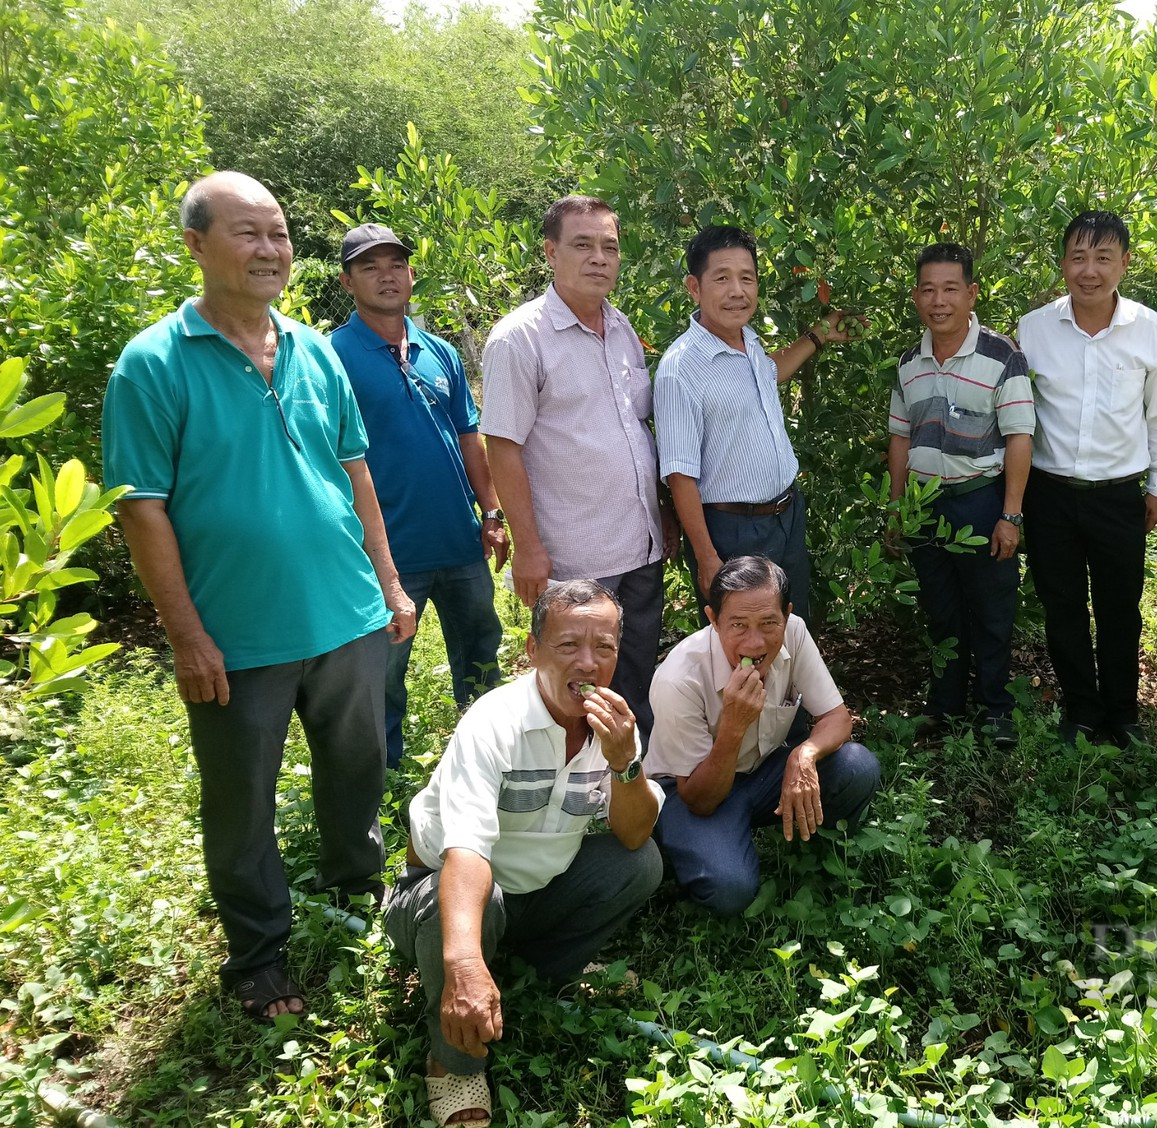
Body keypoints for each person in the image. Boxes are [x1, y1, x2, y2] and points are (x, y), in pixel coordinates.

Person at [102, 172, 416, 1021]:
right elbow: (142, 509)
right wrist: (187, 636)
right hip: (239, 635)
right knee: (240, 799)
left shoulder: (314, 352)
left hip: (347, 615)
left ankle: (359, 893)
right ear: (197, 245)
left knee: (357, 770)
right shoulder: (154, 363)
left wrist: (388, 583)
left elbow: (357, 478)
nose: (270, 249)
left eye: (278, 232)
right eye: (248, 233)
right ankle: (256, 958)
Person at [387, 580, 663, 1127]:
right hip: (444, 892)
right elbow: (465, 849)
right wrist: (464, 963)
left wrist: (624, 762)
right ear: (534, 650)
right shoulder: (495, 723)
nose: (588, 662)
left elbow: (633, 836)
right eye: (568, 646)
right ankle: (455, 1065)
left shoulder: (615, 726)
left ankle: (541, 968)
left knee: (641, 865)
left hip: (532, 891)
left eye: (604, 647)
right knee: (479, 905)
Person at [481, 195, 672, 733]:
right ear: (550, 251)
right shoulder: (520, 338)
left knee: (634, 675)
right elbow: (503, 446)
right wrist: (529, 548)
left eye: (609, 247)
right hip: (576, 556)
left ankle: (633, 787)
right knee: (577, 690)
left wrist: (664, 514)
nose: (599, 258)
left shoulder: (622, 329)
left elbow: (635, 431)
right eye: (582, 245)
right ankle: (577, 798)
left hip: (640, 547)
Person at [330, 222, 509, 768]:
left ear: (411, 273)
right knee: (383, 676)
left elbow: (469, 438)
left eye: (395, 264)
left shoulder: (440, 352)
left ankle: (491, 760)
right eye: (369, 266)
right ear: (346, 282)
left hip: (459, 542)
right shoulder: (331, 356)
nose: (386, 275)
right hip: (386, 555)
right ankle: (384, 780)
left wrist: (493, 512)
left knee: (482, 655)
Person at [1018, 211, 1157, 748]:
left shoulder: (1150, 330)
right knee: (1061, 607)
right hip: (1049, 494)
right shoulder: (1034, 327)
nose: (1090, 271)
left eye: (1103, 257)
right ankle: (1081, 711)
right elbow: (1018, 413)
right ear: (1063, 263)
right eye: (1079, 257)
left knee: (1119, 608)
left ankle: (1124, 713)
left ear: (1124, 263)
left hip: (1118, 496)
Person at [647, 555, 880, 916]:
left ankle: (816, 846)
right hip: (691, 788)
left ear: (786, 615)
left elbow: (836, 717)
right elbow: (700, 798)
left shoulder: (795, 632)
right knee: (730, 891)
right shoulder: (679, 679)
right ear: (713, 619)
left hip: (763, 769)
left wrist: (803, 756)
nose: (755, 642)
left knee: (857, 765)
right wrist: (734, 725)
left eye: (768, 623)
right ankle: (684, 844)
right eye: (738, 625)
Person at [654, 224, 860, 619]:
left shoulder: (747, 340)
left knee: (792, 631)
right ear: (694, 287)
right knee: (744, 650)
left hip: (786, 517)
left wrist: (819, 334)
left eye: (747, 278)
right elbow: (680, 476)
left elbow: (768, 372)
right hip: (732, 531)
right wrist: (707, 558)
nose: (737, 291)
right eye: (722, 278)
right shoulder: (681, 370)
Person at [884, 242, 1034, 747]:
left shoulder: (1003, 356)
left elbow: (1019, 436)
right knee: (941, 608)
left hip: (982, 501)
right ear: (916, 296)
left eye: (951, 289)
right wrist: (897, 507)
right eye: (928, 289)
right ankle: (945, 705)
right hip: (925, 506)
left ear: (971, 293)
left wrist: (1010, 514)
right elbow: (901, 437)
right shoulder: (909, 363)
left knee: (992, 610)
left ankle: (996, 708)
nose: (939, 300)